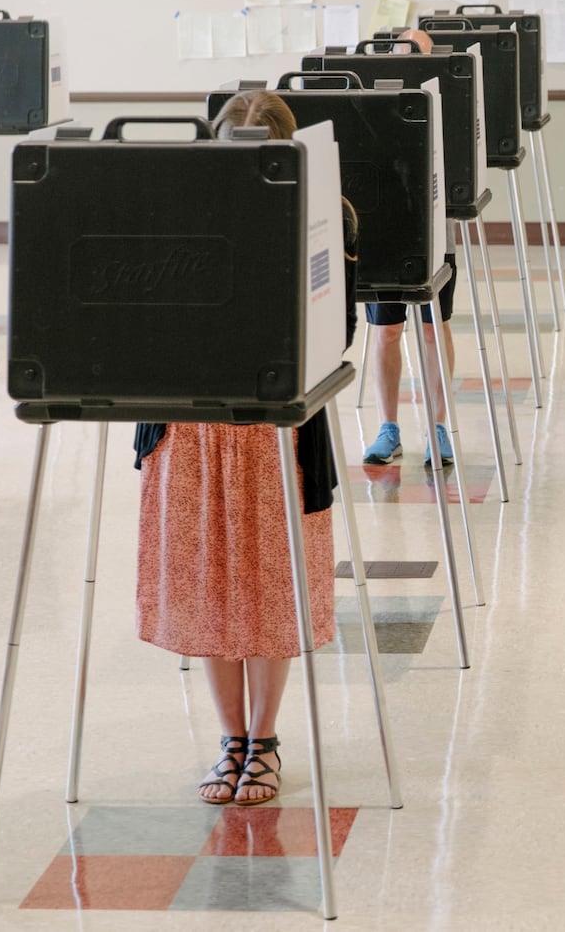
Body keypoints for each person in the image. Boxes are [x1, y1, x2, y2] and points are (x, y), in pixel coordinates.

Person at [135, 90, 357, 806]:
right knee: (207, 585)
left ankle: (264, 739)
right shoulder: (182, 214)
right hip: (193, 428)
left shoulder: (330, 218)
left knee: (268, 587)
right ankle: (230, 739)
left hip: (275, 431)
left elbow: (338, 331)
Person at [361, 26, 459, 467]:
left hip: (436, 228)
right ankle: (389, 428)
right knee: (386, 331)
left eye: (414, 53)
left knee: (432, 328)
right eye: (399, 51)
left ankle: (439, 427)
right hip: (384, 232)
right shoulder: (369, 101)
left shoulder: (446, 99)